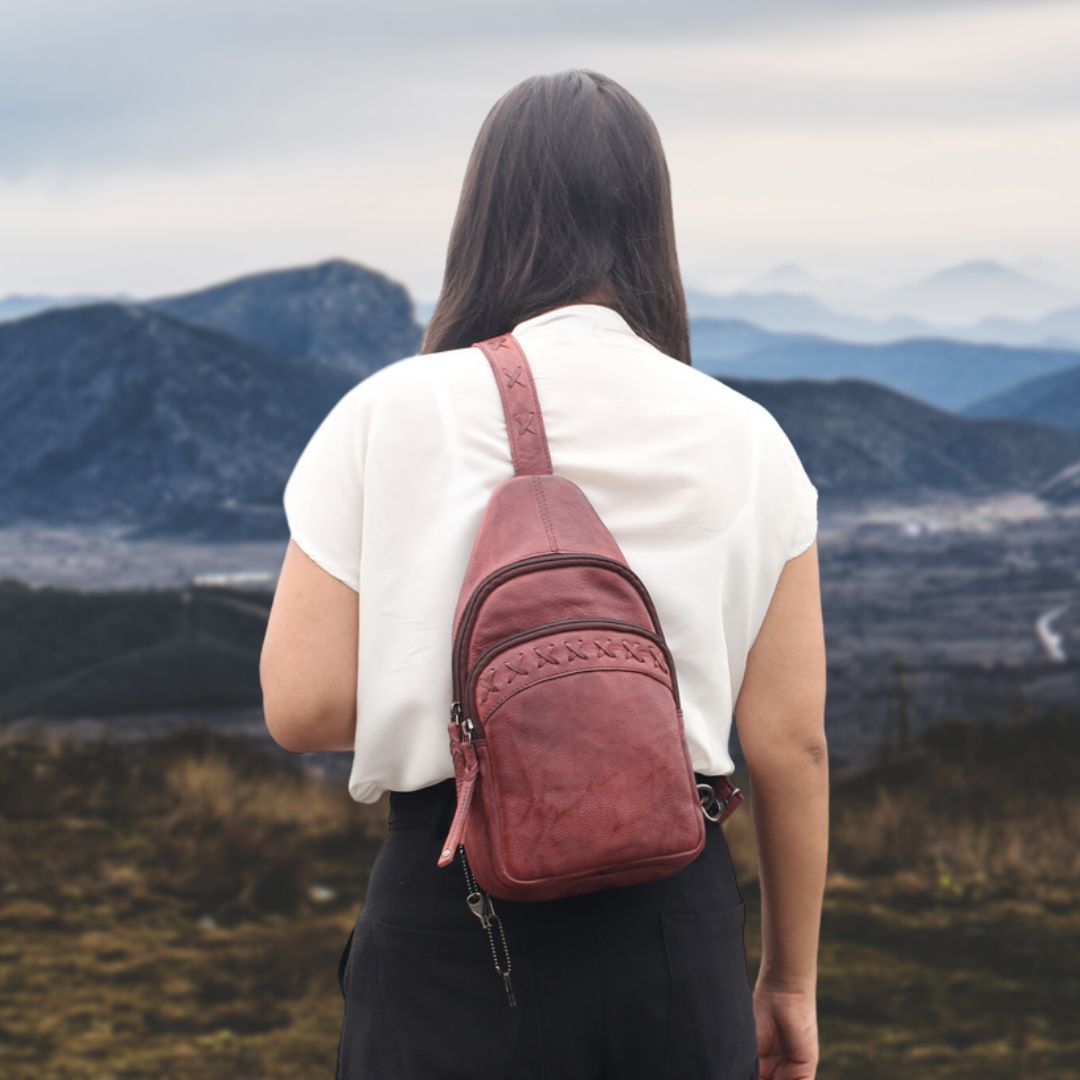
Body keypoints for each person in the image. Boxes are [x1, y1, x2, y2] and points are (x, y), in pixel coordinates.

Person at [260, 68, 827, 1080]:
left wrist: (481, 707)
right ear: (653, 223)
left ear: (481, 216)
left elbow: (303, 707)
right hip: (676, 931)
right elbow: (793, 744)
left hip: (453, 923)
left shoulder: (390, 411)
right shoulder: (751, 439)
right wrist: (789, 982)